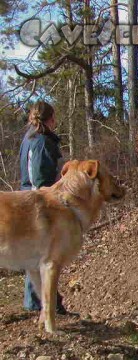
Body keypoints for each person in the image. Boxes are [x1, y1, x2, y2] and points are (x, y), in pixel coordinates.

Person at [19, 100, 67, 314]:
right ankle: (41, 304)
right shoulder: (43, 141)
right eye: (54, 117)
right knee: (45, 255)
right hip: (39, 203)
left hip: (27, 200)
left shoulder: (29, 139)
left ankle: (43, 303)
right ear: (50, 118)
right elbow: (40, 180)